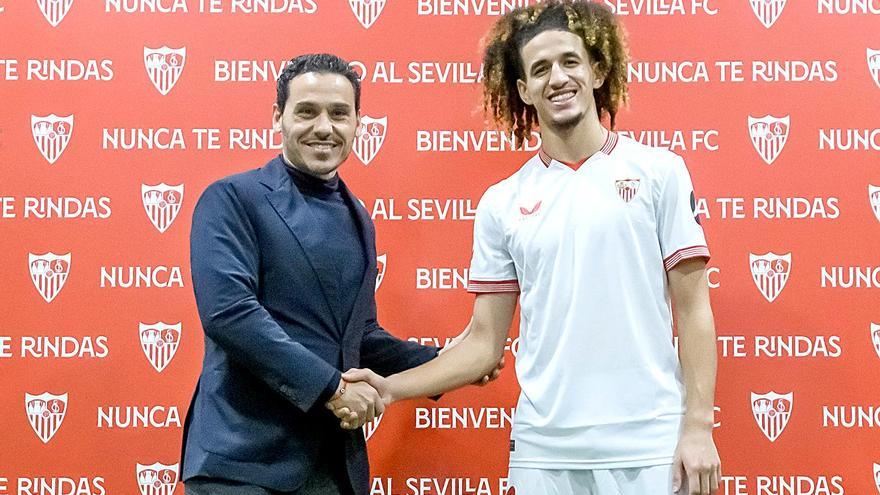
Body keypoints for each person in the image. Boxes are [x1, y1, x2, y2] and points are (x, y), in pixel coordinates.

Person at [334, 2, 721, 494]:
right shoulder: (503, 202)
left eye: (569, 62)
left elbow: (694, 312)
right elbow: (482, 344)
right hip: (545, 451)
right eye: (540, 69)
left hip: (650, 445)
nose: (557, 78)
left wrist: (698, 427)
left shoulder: (660, 172)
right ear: (522, 89)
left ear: (597, 71)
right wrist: (389, 388)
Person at [179, 53, 480, 495]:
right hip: (243, 464)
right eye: (307, 111)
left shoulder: (357, 216)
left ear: (359, 123)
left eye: (340, 113)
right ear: (277, 116)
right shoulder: (231, 199)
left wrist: (446, 362)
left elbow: (359, 336)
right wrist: (332, 389)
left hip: (333, 468)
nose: (324, 127)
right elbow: (230, 314)